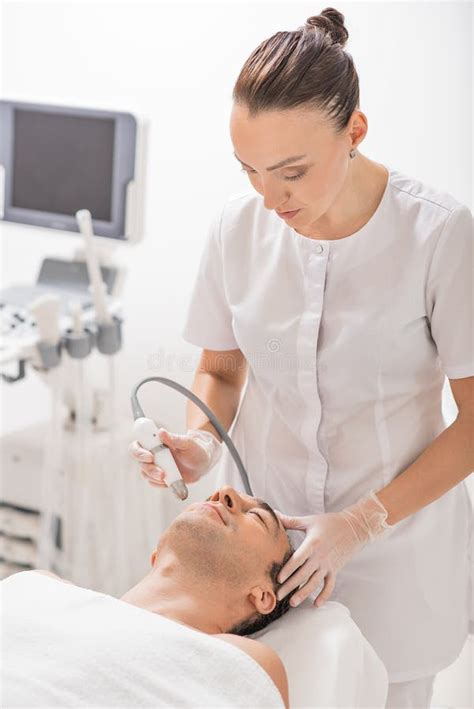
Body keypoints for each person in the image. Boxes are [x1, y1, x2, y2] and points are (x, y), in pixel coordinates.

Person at [131, 7, 473, 708]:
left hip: (394, 559)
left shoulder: (441, 238)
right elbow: (222, 372)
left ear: (355, 131)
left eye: (291, 171)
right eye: (251, 169)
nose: (270, 196)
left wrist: (360, 521)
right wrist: (201, 440)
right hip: (259, 571)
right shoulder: (237, 227)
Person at [2, 487, 296, 708]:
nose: (224, 493)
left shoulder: (246, 660)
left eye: (256, 516)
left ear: (263, 596)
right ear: (157, 555)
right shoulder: (38, 587)